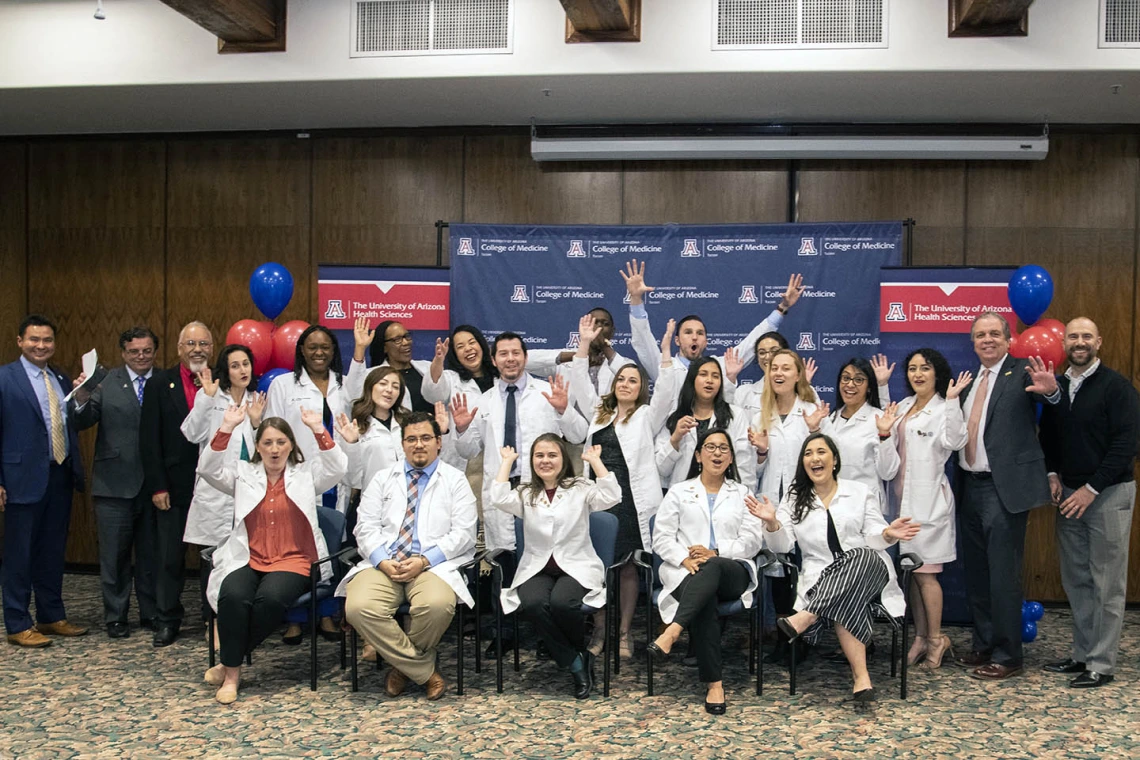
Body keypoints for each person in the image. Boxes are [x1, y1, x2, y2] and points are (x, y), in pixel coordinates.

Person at [750, 433, 919, 712]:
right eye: (808, 453)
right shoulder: (794, 497)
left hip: (869, 570)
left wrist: (888, 533)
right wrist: (771, 523)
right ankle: (861, 678)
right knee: (844, 598)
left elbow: (875, 534)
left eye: (821, 452)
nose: (814, 458)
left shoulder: (859, 491)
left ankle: (807, 616)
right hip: (825, 579)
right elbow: (783, 547)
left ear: (835, 459)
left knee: (861, 553)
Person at [198, 405, 350, 704]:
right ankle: (232, 667)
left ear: (291, 445)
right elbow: (208, 469)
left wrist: (318, 429)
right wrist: (227, 427)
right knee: (232, 595)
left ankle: (230, 671)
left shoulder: (304, 474)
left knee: (269, 600)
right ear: (258, 447)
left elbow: (338, 468)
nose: (275, 449)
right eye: (267, 443)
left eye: (281, 442)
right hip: (249, 557)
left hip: (295, 559)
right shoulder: (244, 474)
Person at [340, 411, 478, 701]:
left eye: (426, 438)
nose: (419, 444)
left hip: (431, 565)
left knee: (438, 606)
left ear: (438, 443)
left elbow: (464, 532)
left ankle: (402, 669)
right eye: (411, 439)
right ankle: (423, 671)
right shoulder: (382, 478)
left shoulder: (455, 480)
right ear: (402, 444)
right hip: (383, 564)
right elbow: (364, 526)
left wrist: (424, 561)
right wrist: (380, 559)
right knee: (359, 608)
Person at [955, 312, 1060, 681]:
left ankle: (1008, 655)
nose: (987, 340)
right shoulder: (967, 383)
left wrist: (1051, 390)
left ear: (1007, 339)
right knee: (978, 575)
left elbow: (1053, 402)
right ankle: (984, 644)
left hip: (1004, 490)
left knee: (1003, 576)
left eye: (994, 334)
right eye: (980, 335)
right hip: (970, 487)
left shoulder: (1023, 371)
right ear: (973, 342)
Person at [568, 314, 678, 659]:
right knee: (597, 567)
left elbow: (667, 393)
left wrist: (664, 352)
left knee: (628, 568)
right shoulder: (599, 413)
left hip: (631, 500)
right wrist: (584, 344)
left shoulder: (646, 415)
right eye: (621, 379)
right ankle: (600, 630)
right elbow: (580, 384)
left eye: (633, 380)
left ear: (640, 387)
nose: (626, 384)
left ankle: (625, 634)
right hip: (598, 498)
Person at [1039, 317, 1139, 688]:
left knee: (1107, 582)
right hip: (1068, 495)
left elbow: (1125, 447)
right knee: (1077, 579)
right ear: (1064, 343)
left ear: (1099, 341)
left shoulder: (1118, 388)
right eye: (1073, 337)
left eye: (1086, 337)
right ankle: (1082, 654)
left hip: (1107, 494)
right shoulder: (1057, 385)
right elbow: (1048, 435)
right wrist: (1052, 475)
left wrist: (1089, 490)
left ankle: (1102, 663)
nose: (1079, 342)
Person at [492, 437, 620, 699]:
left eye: (552, 455)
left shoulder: (579, 487)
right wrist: (506, 463)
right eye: (539, 456)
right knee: (532, 602)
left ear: (563, 460)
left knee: (563, 602)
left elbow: (612, 496)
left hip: (576, 564)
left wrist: (596, 462)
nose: (545, 461)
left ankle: (571, 657)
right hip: (537, 566)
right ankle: (576, 660)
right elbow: (498, 498)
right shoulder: (526, 492)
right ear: (532, 462)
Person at [647, 427, 764, 715]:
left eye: (724, 448)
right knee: (705, 599)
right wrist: (683, 559)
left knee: (710, 568)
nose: (717, 453)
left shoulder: (743, 493)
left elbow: (752, 539)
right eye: (710, 447)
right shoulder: (678, 492)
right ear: (698, 455)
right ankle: (715, 684)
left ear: (731, 458)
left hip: (732, 570)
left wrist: (717, 552)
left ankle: (673, 631)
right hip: (686, 571)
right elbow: (661, 537)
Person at [451, 331, 588, 554]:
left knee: (542, 557)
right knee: (504, 560)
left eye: (516, 353)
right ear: (494, 361)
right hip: (502, 490)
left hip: (542, 488)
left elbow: (577, 436)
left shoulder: (547, 393)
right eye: (503, 354)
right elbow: (468, 451)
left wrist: (564, 409)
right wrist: (462, 429)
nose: (510, 359)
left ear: (525, 357)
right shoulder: (484, 401)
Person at [877, 349, 970, 669]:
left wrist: (954, 401)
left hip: (929, 505)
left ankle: (936, 639)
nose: (918, 374)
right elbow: (889, 456)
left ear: (937, 373)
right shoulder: (903, 407)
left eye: (925, 368)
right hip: (901, 507)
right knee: (912, 574)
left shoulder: (944, 407)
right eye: (913, 369)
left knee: (927, 575)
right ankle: (920, 636)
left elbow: (957, 442)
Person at [265, 323, 356, 641]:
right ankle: (293, 617)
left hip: (335, 476)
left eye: (326, 347)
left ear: (334, 352)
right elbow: (272, 430)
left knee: (331, 546)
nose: (319, 353)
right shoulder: (283, 385)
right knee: (296, 548)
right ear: (301, 350)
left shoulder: (344, 385)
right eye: (312, 347)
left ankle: (327, 613)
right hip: (297, 477)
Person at [1, 315, 88, 648]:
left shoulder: (61, 377)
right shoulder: (4, 378)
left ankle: (51, 616)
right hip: (20, 477)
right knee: (19, 554)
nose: (41, 346)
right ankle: (17, 622)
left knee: (52, 551)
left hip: (60, 473)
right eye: (34, 340)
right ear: (20, 341)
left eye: (47, 340)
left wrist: (82, 396)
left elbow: (72, 422)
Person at [70, 326, 159, 639]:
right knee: (114, 557)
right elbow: (82, 420)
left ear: (155, 352)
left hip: (154, 487)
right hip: (112, 485)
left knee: (151, 557)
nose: (141, 356)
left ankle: (151, 613)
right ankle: (116, 617)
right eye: (134, 351)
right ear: (123, 353)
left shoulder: (163, 382)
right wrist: (80, 398)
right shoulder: (106, 382)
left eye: (146, 351)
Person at [620, 258, 805, 399]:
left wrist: (782, 308)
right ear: (677, 340)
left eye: (700, 333)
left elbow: (751, 343)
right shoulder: (663, 365)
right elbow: (643, 341)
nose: (694, 337)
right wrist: (635, 299)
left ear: (706, 341)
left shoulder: (719, 366)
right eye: (688, 332)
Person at [179, 344, 265, 646]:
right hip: (216, 491)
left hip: (250, 491)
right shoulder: (211, 397)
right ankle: (211, 620)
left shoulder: (259, 400)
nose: (243, 370)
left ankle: (241, 620)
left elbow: (268, 447)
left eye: (246, 364)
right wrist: (206, 399)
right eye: (235, 365)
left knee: (245, 557)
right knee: (214, 560)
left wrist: (256, 422)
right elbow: (190, 434)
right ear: (224, 371)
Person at [140, 320, 214, 647]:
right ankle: (167, 618)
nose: (198, 350)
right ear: (179, 348)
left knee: (213, 559)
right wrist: (157, 486)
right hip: (173, 487)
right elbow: (149, 440)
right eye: (191, 344)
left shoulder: (222, 382)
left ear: (212, 349)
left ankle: (212, 618)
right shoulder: (159, 384)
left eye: (204, 344)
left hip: (214, 487)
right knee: (170, 557)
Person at [656, 357, 754, 491]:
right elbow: (661, 470)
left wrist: (745, 496)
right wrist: (675, 439)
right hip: (684, 498)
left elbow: (744, 463)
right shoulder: (675, 417)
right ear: (692, 379)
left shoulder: (735, 415)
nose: (709, 380)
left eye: (715, 376)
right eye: (703, 374)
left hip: (726, 496)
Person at [818, 357, 897, 510]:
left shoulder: (879, 419)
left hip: (866, 504)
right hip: (833, 502)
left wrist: (884, 434)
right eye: (846, 378)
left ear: (869, 387)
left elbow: (888, 473)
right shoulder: (830, 419)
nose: (850, 384)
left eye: (859, 380)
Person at [524, 307, 635, 411]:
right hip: (569, 426)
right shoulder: (566, 361)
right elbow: (524, 361)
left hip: (606, 426)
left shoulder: (625, 363)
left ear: (612, 331)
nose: (599, 327)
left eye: (605, 324)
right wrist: (576, 356)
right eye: (594, 322)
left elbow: (630, 376)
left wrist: (604, 345)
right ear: (583, 327)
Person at [352, 317, 441, 414]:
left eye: (406, 336)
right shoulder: (374, 375)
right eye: (397, 339)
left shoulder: (427, 367)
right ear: (384, 347)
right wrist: (360, 348)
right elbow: (353, 395)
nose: (406, 342)